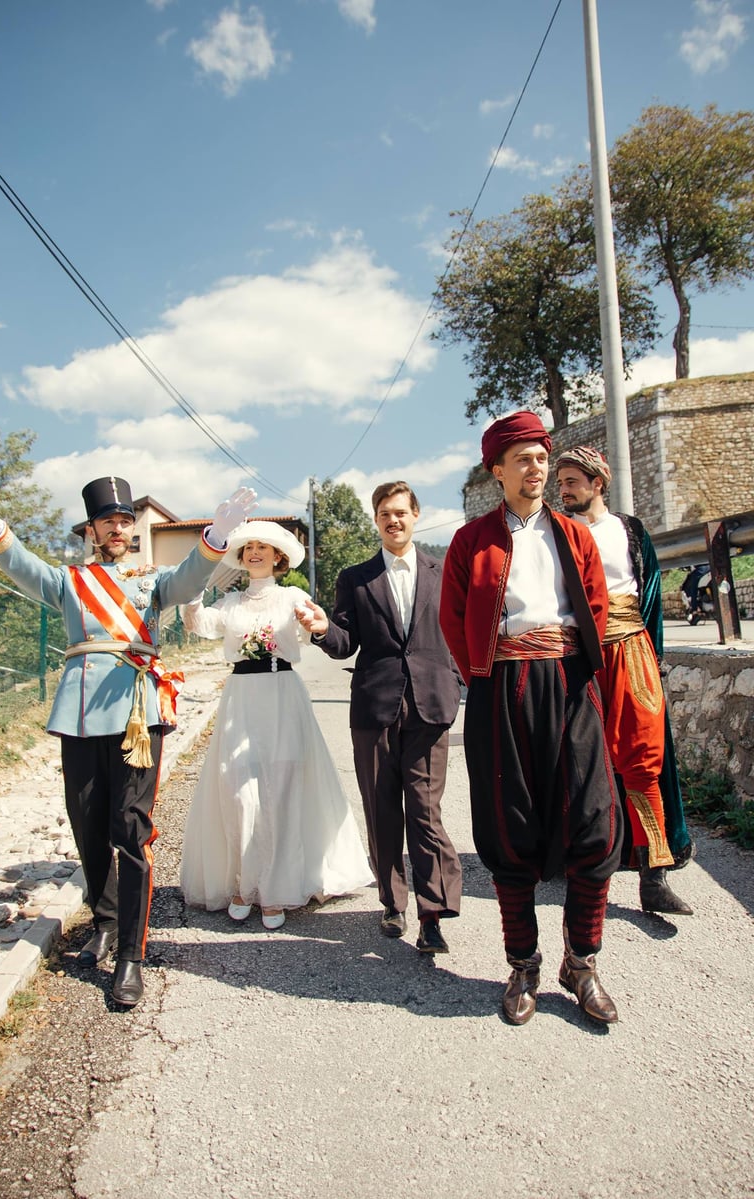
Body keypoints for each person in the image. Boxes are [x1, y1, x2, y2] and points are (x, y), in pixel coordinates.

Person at [0, 476, 257, 1007]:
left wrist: (216, 537)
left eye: (125, 521)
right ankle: (105, 922)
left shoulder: (150, 580)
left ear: (132, 530)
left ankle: (132, 953)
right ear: (91, 530)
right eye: (108, 521)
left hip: (137, 713)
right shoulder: (68, 580)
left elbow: (187, 580)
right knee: (87, 825)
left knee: (130, 831)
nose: (117, 528)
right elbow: (22, 567)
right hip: (81, 714)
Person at [439, 412, 622, 1026]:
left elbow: (595, 606)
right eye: (522, 458)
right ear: (497, 470)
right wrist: (483, 674)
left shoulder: (574, 535)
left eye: (542, 457)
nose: (536, 467)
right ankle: (523, 964)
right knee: (509, 823)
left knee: (594, 819)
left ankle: (582, 963)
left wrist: (576, 667)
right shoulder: (472, 540)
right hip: (502, 687)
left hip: (569, 682)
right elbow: (452, 616)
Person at [179, 520, 374, 929]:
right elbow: (199, 624)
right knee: (239, 793)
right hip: (241, 699)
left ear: (277, 557)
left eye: (263, 548)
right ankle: (243, 884)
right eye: (249, 547)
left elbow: (314, 629)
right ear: (241, 556)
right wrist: (192, 590)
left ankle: (275, 890)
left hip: (283, 695)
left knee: (281, 792)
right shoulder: (231, 603)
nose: (255, 553)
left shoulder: (292, 597)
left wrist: (313, 622)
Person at [296, 482, 462, 954]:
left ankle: (433, 913)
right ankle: (393, 903)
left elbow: (460, 630)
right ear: (376, 520)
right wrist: (324, 629)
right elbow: (345, 642)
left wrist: (456, 680)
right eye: (385, 513)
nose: (393, 520)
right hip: (374, 708)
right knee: (382, 810)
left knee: (425, 812)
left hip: (430, 706)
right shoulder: (356, 577)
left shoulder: (444, 570)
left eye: (401, 512)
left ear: (416, 515)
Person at [556, 445, 694, 915]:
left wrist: (655, 660)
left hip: (631, 652)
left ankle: (654, 873)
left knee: (642, 758)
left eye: (572, 481)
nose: (563, 490)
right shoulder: (559, 534)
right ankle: (585, 862)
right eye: (561, 483)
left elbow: (650, 595)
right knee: (579, 759)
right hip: (581, 657)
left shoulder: (629, 530)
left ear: (597, 483)